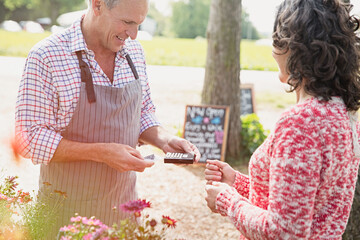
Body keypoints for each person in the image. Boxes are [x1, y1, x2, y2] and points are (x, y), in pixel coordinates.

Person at [15, 0, 200, 236]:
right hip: (65, 217)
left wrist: (164, 140)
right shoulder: (47, 56)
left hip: (123, 214)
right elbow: (28, 138)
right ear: (98, 4)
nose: (133, 35)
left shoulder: (134, 52)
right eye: (127, 22)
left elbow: (142, 112)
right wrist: (102, 153)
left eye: (139, 24)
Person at [205, 0, 360, 239]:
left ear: (292, 46)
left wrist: (227, 201)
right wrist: (237, 183)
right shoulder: (344, 116)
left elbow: (284, 232)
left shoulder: (301, 123)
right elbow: (305, 202)